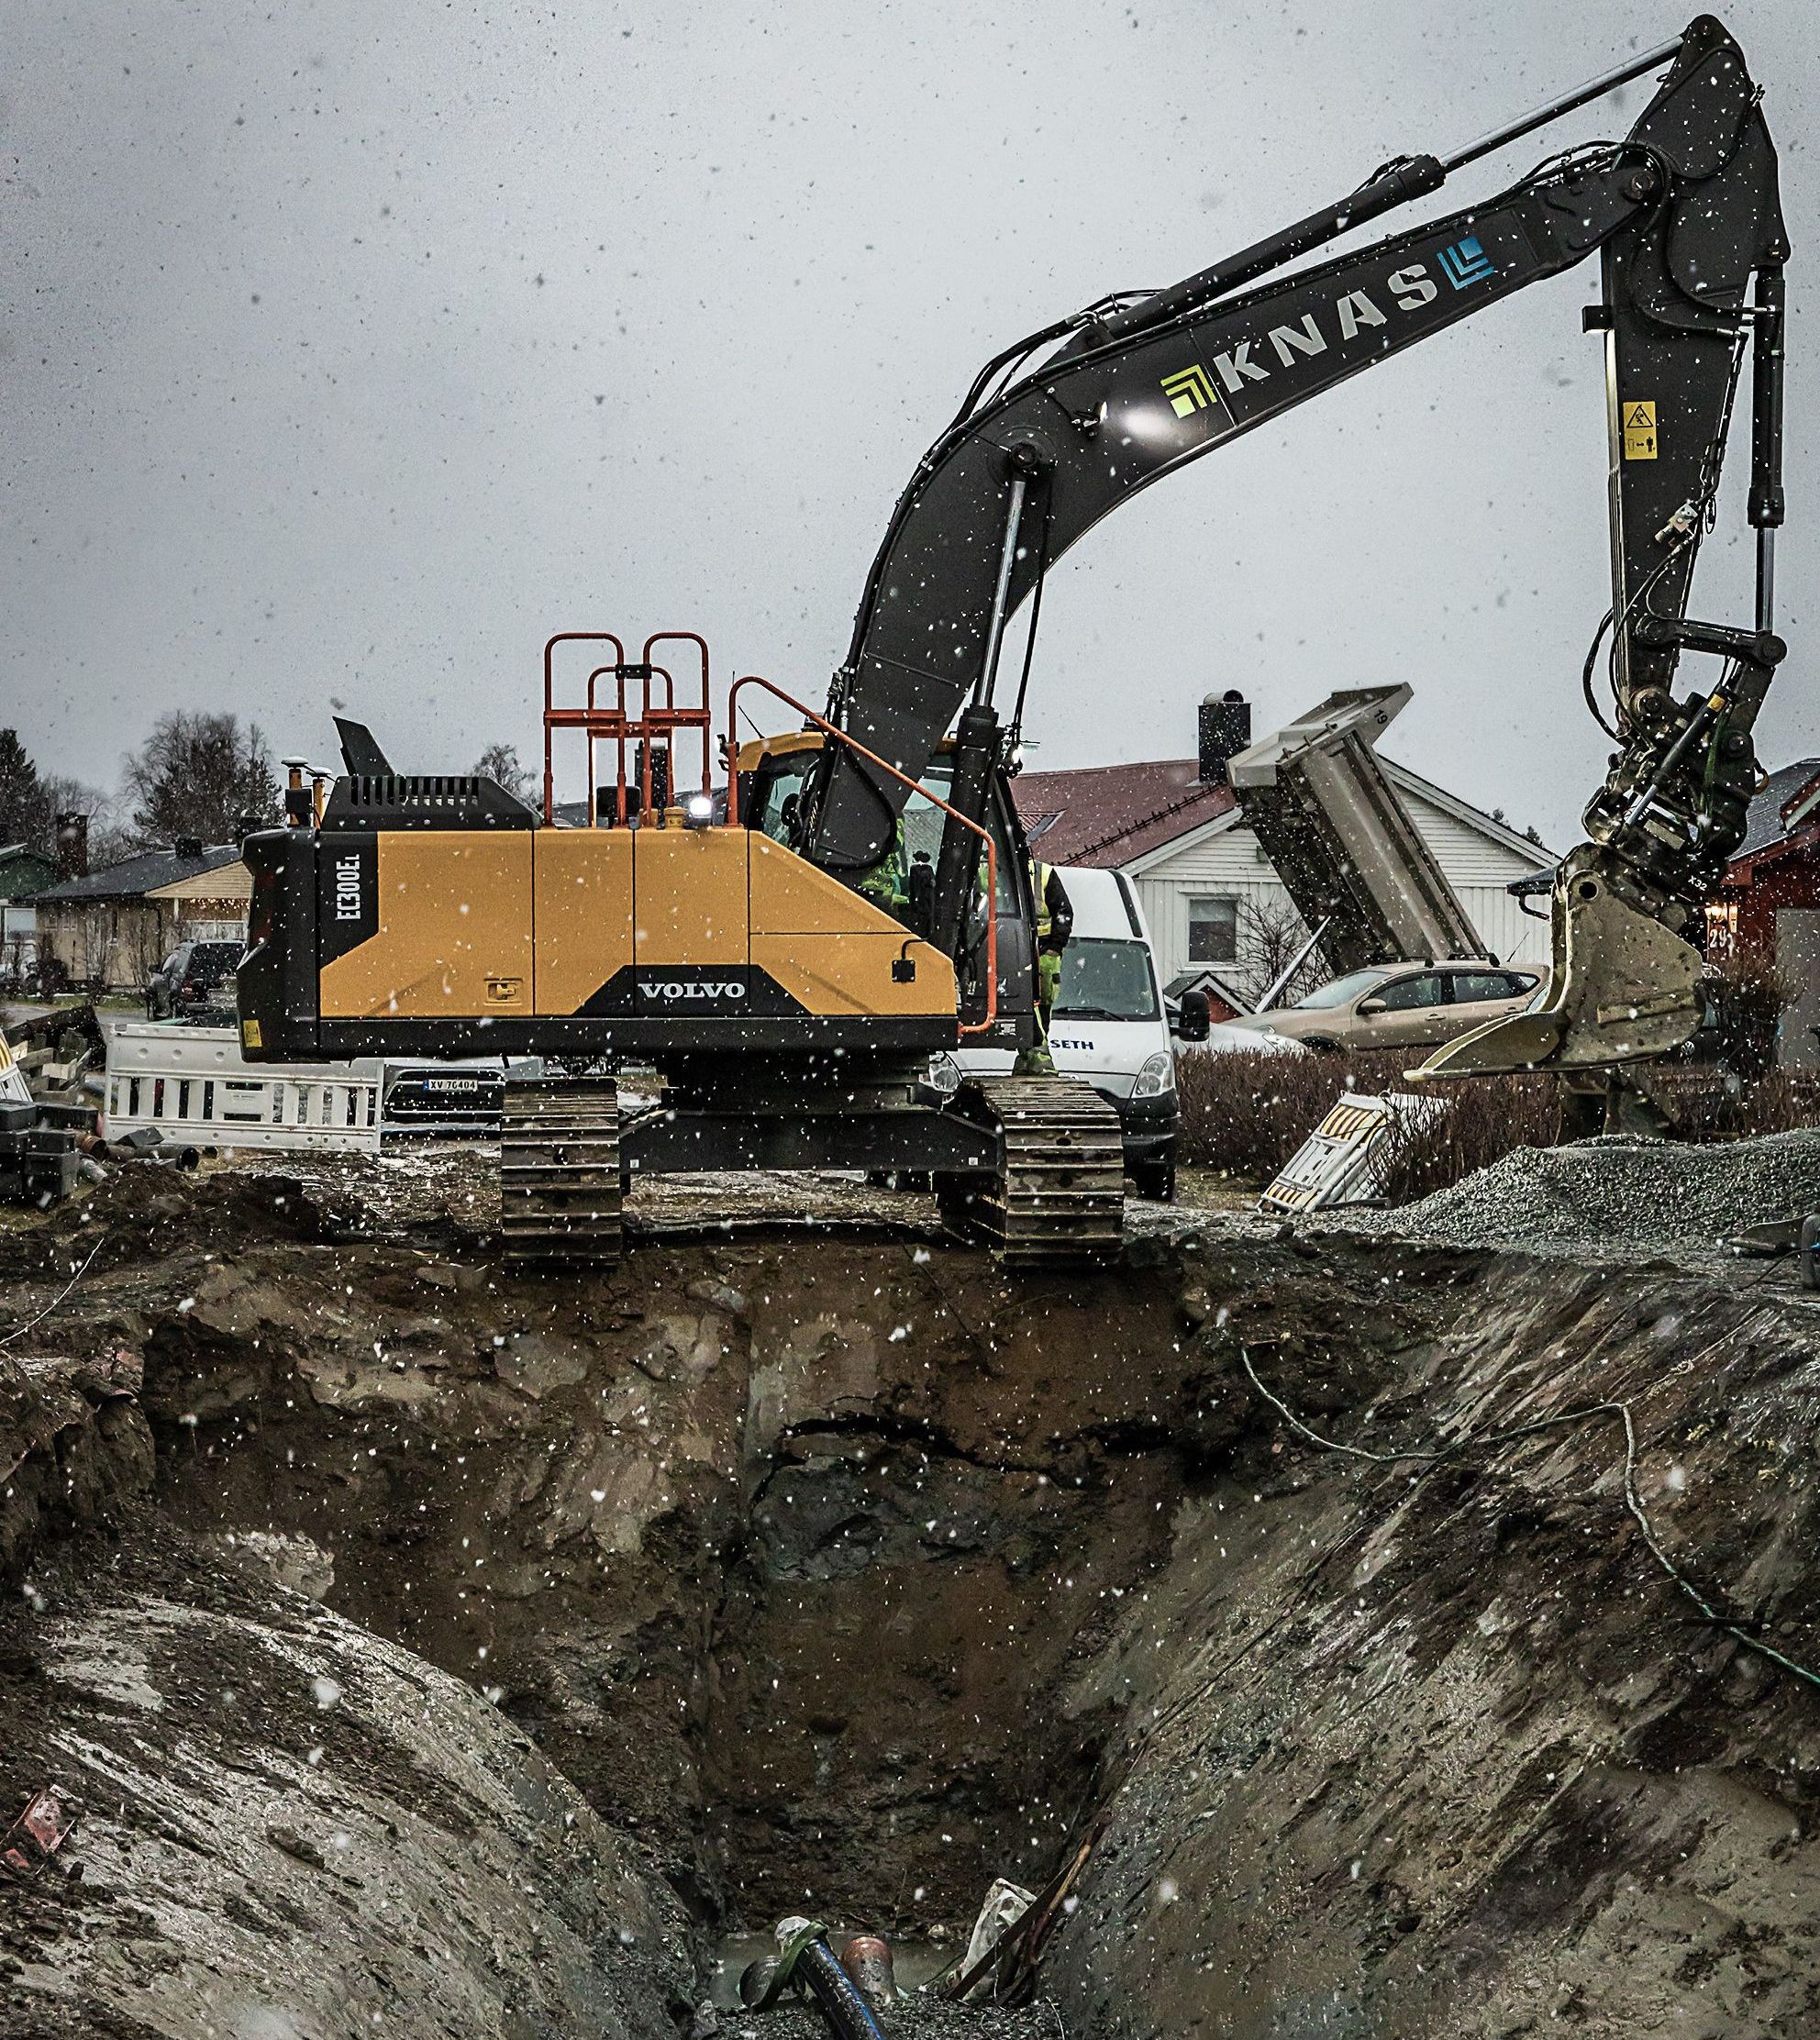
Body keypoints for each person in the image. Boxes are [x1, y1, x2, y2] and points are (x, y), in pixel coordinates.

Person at [1015, 858, 1073, 1076]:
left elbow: (1064, 912)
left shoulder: (1043, 873)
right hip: (1012, 948)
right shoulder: (989, 868)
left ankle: (1028, 1055)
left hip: (1044, 950)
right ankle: (1038, 1055)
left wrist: (1054, 949)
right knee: (1030, 1003)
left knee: (1043, 1004)